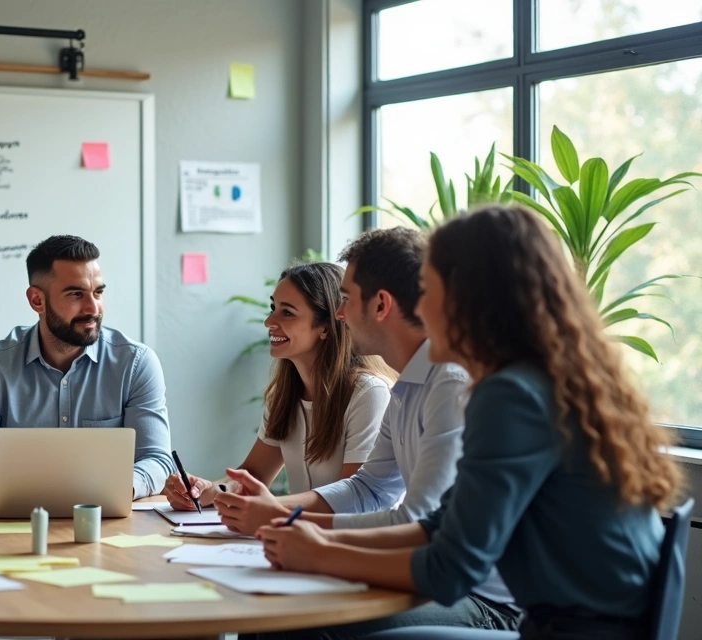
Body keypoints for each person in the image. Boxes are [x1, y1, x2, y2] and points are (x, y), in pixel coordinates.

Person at [257, 205, 682, 640]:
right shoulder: (530, 380)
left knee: (308, 627)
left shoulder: (510, 395)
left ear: (467, 299)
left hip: (573, 631)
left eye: (427, 290)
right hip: (569, 621)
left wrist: (320, 553)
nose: (418, 307)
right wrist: (312, 537)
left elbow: (450, 569)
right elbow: (438, 526)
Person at [238, 229, 520, 637]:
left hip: (486, 600)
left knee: (302, 625)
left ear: (382, 304)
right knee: (272, 614)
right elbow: (368, 487)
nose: (338, 314)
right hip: (441, 578)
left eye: (346, 299)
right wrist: (289, 520)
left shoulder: (449, 383)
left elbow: (418, 521)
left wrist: (312, 540)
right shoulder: (407, 386)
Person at [0, 234, 174, 502]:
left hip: (106, 517)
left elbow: (157, 460)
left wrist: (113, 490)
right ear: (37, 300)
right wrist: (27, 494)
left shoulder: (135, 363)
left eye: (98, 292)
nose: (93, 308)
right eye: (76, 294)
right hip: (19, 518)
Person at [161, 262, 391, 520]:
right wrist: (208, 490)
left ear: (326, 326)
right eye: (273, 308)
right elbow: (254, 474)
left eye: (287, 313)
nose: (269, 321)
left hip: (345, 539)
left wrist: (272, 508)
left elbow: (353, 497)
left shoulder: (369, 394)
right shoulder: (284, 395)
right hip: (302, 535)